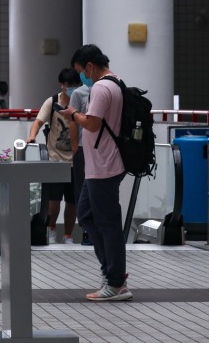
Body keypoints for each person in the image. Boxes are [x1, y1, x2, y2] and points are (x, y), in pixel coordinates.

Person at [59, 44, 132, 302]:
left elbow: (92, 123)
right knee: (87, 214)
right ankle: (110, 272)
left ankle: (116, 282)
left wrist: (73, 113)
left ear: (90, 66)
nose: (81, 76)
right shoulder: (115, 82)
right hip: (98, 165)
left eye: (81, 71)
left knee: (108, 222)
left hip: (104, 165)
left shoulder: (101, 87)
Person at [27, 68, 78, 244]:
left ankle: (68, 235)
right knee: (53, 199)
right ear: (61, 85)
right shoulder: (52, 101)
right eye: (68, 85)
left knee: (73, 201)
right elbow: (38, 121)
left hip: (75, 159)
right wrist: (32, 136)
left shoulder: (80, 101)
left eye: (74, 85)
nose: (71, 89)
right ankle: (52, 229)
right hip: (55, 159)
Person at [68, 73, 92, 245]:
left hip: (101, 150)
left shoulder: (105, 90)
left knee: (98, 189)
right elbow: (72, 121)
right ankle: (86, 230)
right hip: (83, 149)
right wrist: (75, 147)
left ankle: (96, 229)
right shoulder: (78, 93)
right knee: (82, 189)